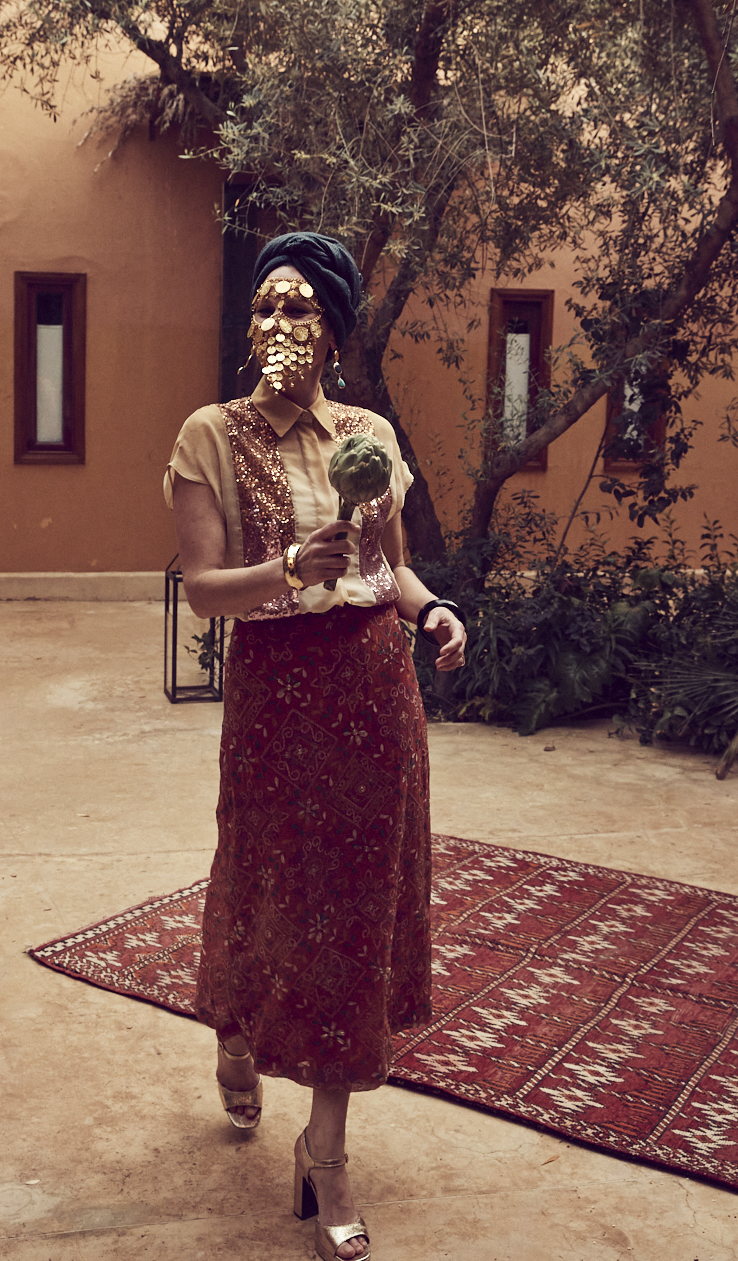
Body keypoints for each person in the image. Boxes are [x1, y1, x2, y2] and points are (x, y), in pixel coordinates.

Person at [165, 232, 466, 1261]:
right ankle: (236, 1031)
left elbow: (392, 567)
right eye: (264, 307)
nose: (276, 323)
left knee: (355, 911)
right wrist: (289, 568)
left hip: (375, 692)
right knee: (265, 883)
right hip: (278, 697)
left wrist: (432, 612)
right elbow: (204, 591)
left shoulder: (369, 436)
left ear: (332, 331)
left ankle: (324, 1153)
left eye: (297, 308)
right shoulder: (210, 433)